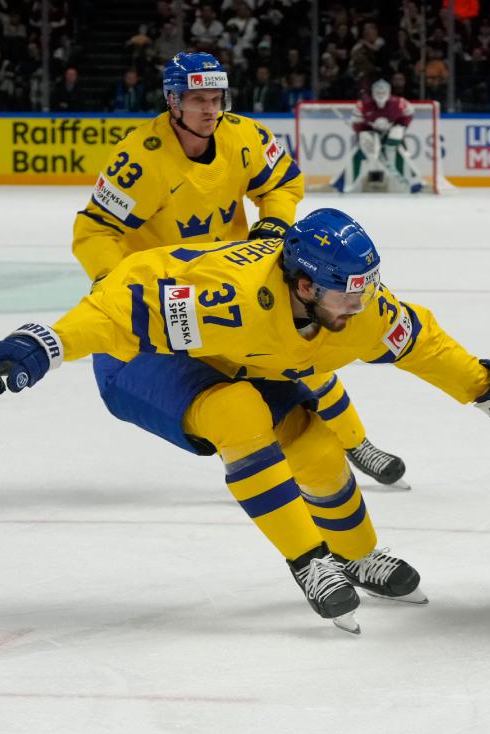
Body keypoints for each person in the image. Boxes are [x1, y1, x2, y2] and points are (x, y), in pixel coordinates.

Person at [0, 208, 490, 632]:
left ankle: (358, 555)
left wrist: (486, 389)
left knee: (316, 447)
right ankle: (309, 561)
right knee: (238, 413)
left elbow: (424, 344)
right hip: (135, 358)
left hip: (230, 354)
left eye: (367, 289)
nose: (361, 306)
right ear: (306, 284)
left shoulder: (355, 310)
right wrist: (43, 342)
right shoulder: (224, 299)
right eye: (349, 294)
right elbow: (116, 311)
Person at [73, 52, 410, 487]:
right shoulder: (139, 160)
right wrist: (113, 287)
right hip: (176, 297)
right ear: (172, 101)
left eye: (216, 98)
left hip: (237, 280)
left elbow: (283, 182)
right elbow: (95, 230)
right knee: (229, 398)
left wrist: (272, 226)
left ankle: (354, 441)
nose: (210, 109)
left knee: (301, 353)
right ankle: (272, 467)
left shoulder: (243, 136)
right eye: (198, 99)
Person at [333, 79, 425, 194]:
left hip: (390, 132)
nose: (380, 95)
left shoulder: (399, 103)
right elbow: (357, 123)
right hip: (370, 131)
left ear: (389, 92)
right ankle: (342, 183)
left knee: (394, 152)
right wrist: (364, 133)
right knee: (361, 153)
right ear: (372, 92)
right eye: (378, 92)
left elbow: (409, 114)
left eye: (383, 92)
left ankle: (414, 183)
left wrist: (400, 127)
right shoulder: (363, 105)